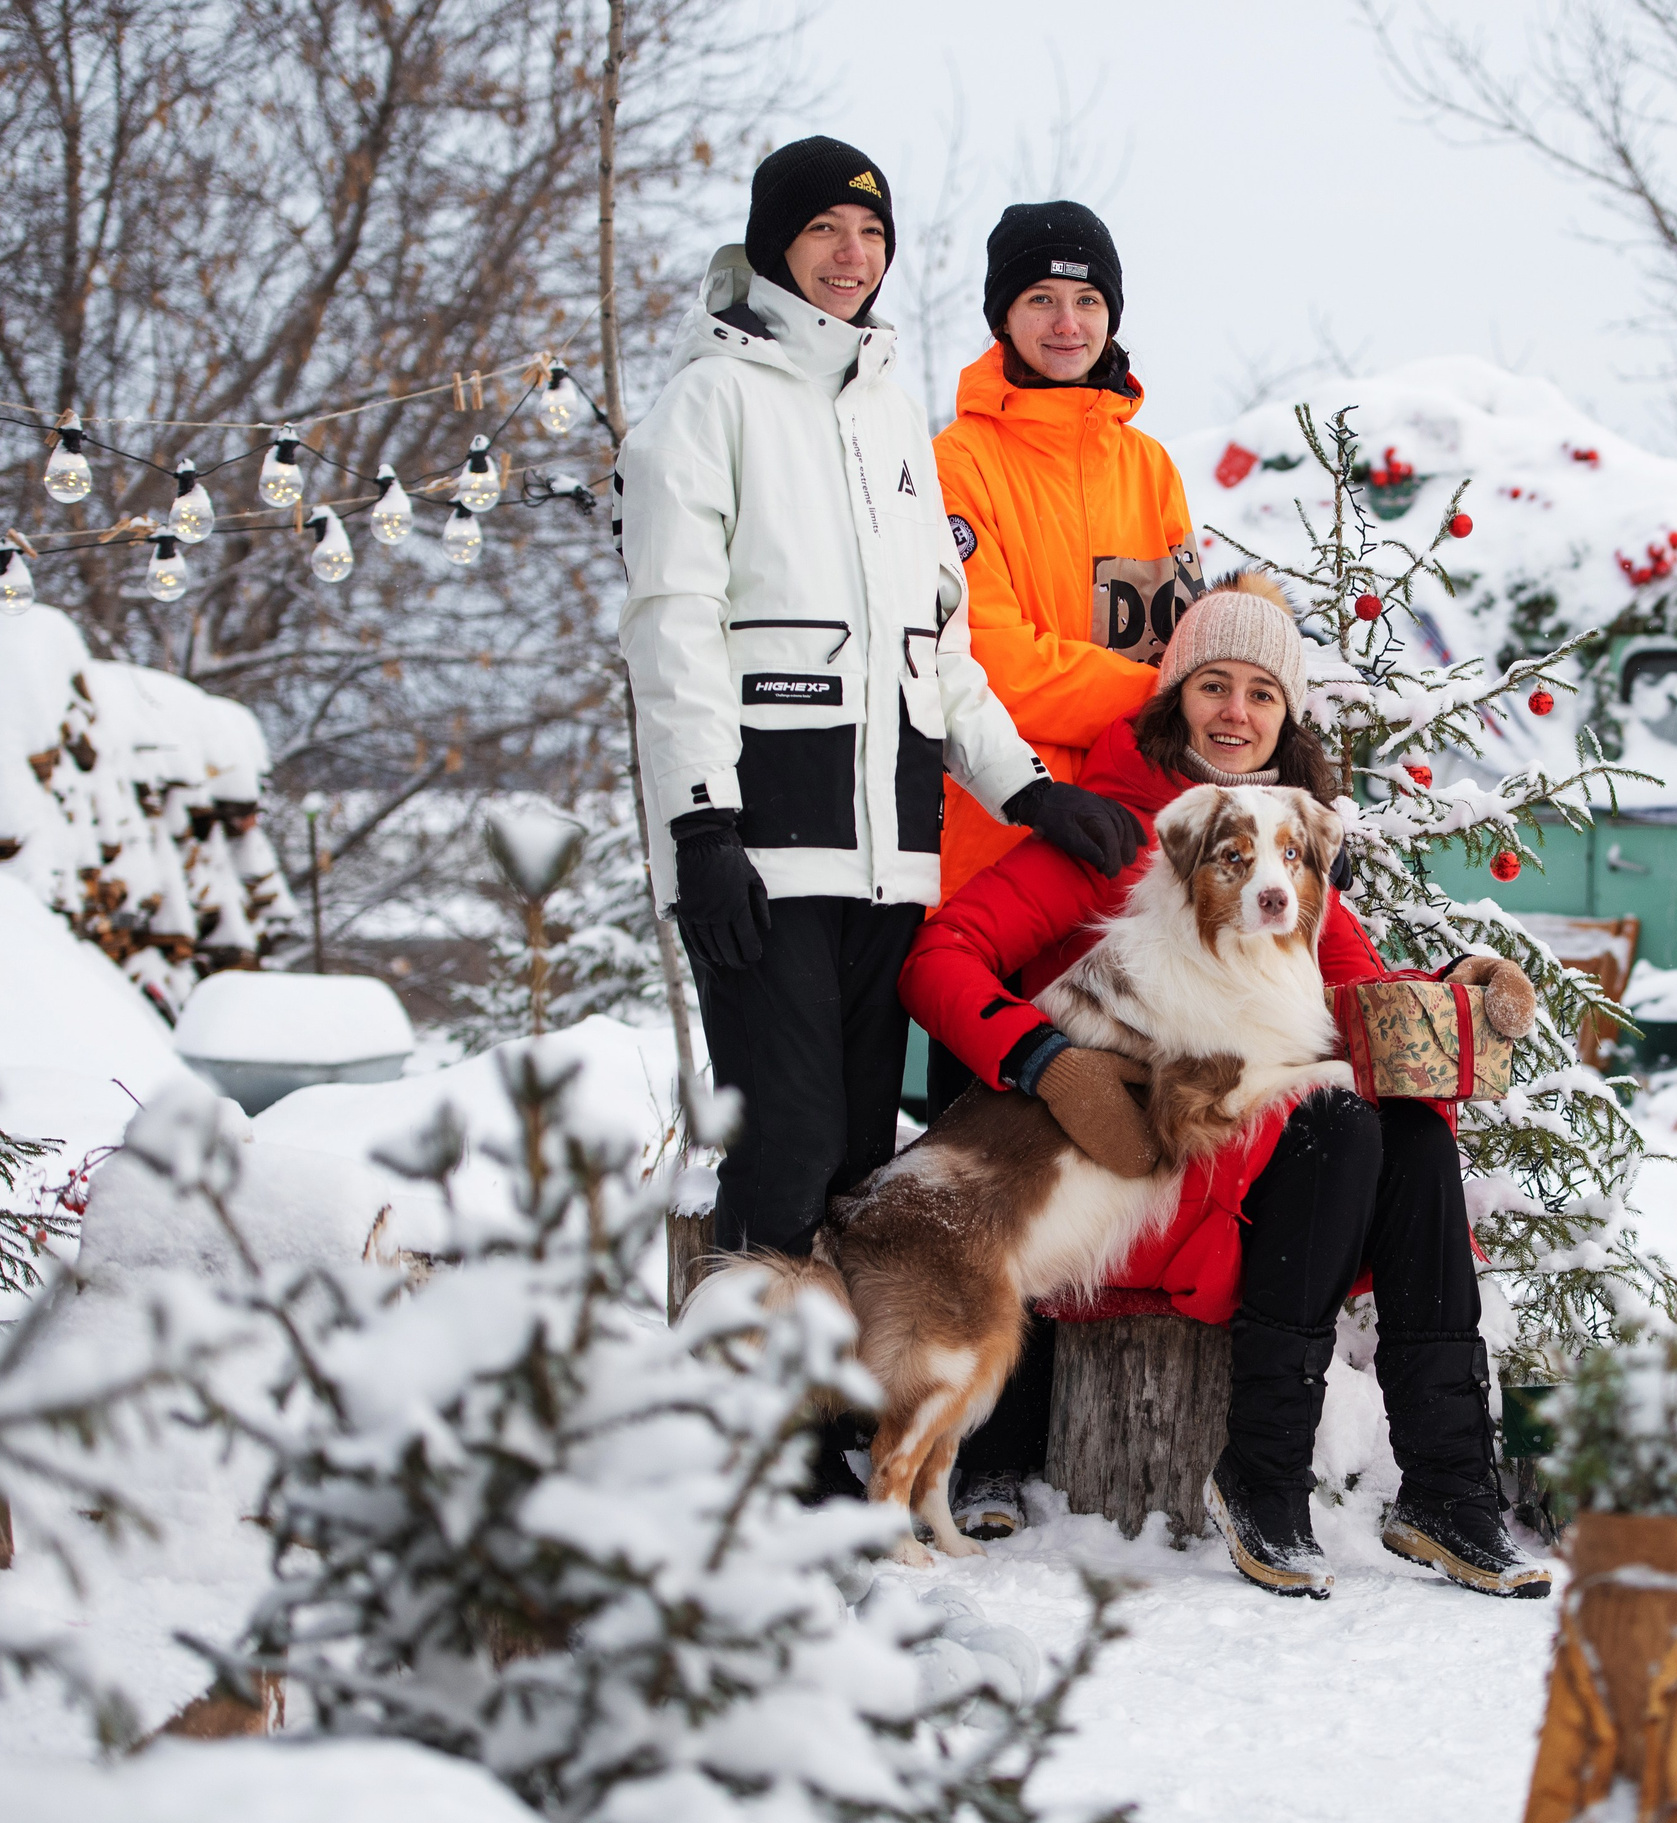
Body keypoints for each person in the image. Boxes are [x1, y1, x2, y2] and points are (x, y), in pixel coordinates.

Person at [899, 575, 1550, 1602]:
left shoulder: (1284, 849)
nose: (1235, 713)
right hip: (1134, 1158)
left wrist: (1454, 1000)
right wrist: (1043, 1061)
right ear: (1174, 697)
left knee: (1415, 1134)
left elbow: (1363, 1000)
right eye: (1213, 685)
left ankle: (1447, 1487)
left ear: (1287, 717)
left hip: (1248, 1176)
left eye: (1261, 692)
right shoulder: (1106, 834)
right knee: (1339, 1123)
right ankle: (1264, 1474)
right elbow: (941, 956)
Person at [617, 137, 1144, 1267]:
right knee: (789, 1138)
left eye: (870, 235)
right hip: (759, 846)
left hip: (891, 850)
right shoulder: (705, 405)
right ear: (771, 245)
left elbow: (938, 646)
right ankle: (765, 1426)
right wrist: (700, 823)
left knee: (861, 1149)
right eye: (822, 231)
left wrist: (1029, 791)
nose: (851, 256)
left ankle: (849, 1421)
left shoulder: (887, 417)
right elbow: (672, 629)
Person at [922, 201, 1204, 1535]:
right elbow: (988, 654)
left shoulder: (1149, 470)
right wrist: (1151, 688)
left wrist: (1171, 698)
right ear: (1002, 315)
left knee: (1087, 1145)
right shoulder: (953, 463)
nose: (1066, 322)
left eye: (1087, 302)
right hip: (1000, 846)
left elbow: (1186, 659)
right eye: (1041, 300)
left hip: (1130, 862)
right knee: (982, 1156)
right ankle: (976, 1450)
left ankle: (1061, 1451)